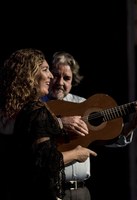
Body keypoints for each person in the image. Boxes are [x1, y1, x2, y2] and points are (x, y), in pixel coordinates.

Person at [42, 51, 137, 200]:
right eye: (56, 75)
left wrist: (132, 125)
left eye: (66, 78)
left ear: (73, 80)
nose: (60, 82)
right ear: (48, 76)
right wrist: (60, 123)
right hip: (49, 190)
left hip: (82, 191)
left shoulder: (83, 104)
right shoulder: (38, 105)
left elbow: (107, 139)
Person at [0, 48, 97, 200]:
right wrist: (77, 154)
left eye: (66, 78)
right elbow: (45, 162)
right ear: (30, 75)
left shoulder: (19, 108)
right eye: (46, 70)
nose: (51, 77)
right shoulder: (36, 110)